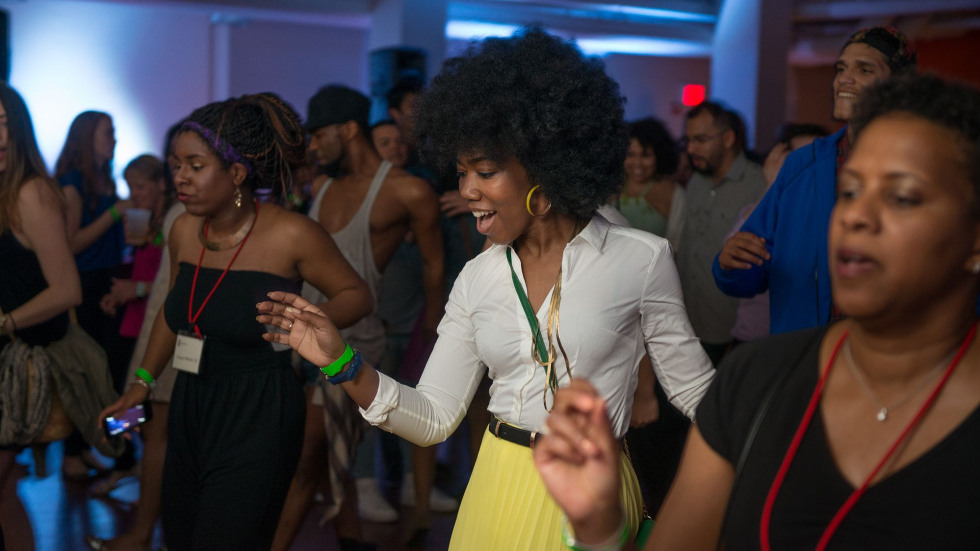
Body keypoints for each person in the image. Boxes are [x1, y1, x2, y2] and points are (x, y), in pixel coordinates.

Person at [258, 27, 714, 550]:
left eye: (487, 172)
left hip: (593, 495)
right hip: (494, 490)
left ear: (545, 165)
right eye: (461, 173)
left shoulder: (640, 258)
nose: (467, 191)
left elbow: (694, 390)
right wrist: (341, 363)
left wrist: (772, 442)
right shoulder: (478, 277)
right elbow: (431, 416)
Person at [534, 73, 980, 550]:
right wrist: (600, 527)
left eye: (901, 197)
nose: (854, 216)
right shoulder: (756, 380)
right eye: (849, 192)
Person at [99, 93, 372, 550]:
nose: (179, 177)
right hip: (191, 400)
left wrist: (304, 319)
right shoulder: (184, 229)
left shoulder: (291, 233)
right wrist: (140, 384)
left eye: (194, 165)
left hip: (258, 407)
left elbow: (357, 294)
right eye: (175, 164)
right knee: (182, 534)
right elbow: (173, 315)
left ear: (237, 174)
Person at [271, 84, 444, 551]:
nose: (313, 145)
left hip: (357, 338)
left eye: (319, 134)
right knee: (324, 450)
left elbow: (434, 264)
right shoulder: (323, 186)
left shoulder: (407, 190)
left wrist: (429, 333)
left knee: (308, 457)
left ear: (348, 129)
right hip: (301, 332)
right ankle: (353, 540)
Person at [713, 26, 917, 334]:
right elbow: (747, 272)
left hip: (893, 362)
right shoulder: (802, 165)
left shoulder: (925, 167)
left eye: (864, 69)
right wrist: (730, 262)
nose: (843, 79)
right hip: (805, 363)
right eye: (841, 68)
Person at [85, 149, 185, 550]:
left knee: (139, 416)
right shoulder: (149, 227)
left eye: (141, 186)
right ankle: (121, 458)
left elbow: (165, 288)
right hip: (132, 329)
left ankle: (121, 461)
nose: (135, 194)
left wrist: (136, 289)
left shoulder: (173, 224)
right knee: (125, 405)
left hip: (153, 336)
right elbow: (147, 279)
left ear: (160, 185)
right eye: (130, 187)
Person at [0, 83, 83, 551]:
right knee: (5, 492)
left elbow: (66, 289)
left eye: (5, 124)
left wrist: (5, 322)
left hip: (21, 368)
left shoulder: (32, 192)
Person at [56, 110, 134, 481]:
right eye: (108, 132)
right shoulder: (73, 184)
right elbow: (69, 244)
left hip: (110, 280)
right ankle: (90, 452)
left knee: (112, 370)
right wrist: (115, 214)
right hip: (85, 284)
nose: (114, 139)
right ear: (87, 138)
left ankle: (103, 447)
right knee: (89, 371)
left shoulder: (103, 181)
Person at [676, 102, 766, 364]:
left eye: (701, 140)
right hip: (686, 324)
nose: (691, 149)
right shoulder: (696, 179)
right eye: (689, 140)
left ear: (728, 138)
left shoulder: (758, 185)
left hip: (727, 333)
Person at [613, 117, 680, 237]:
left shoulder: (673, 193)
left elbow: (677, 246)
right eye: (631, 154)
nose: (637, 162)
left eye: (645, 155)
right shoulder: (611, 188)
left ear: (659, 156)